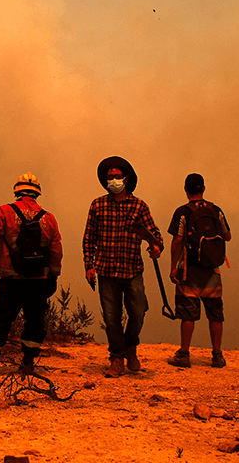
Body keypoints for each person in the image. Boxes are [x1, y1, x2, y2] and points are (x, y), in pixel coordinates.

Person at [0, 173, 62, 376]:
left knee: (1, 319)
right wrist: (53, 275)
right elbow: (56, 250)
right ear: (37, 193)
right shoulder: (49, 218)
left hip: (11, 279)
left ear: (16, 191)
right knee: (35, 321)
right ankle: (27, 363)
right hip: (39, 280)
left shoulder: (6, 212)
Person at [82, 156, 163, 377]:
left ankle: (131, 347)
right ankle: (117, 358)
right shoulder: (97, 205)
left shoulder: (139, 206)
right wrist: (89, 266)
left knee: (138, 312)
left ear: (126, 179)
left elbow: (155, 236)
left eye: (118, 176)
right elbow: (89, 238)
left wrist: (156, 248)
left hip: (132, 270)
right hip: (106, 270)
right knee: (111, 318)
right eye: (110, 177)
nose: (114, 180)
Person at [166, 173, 231, 369]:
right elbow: (227, 236)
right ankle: (217, 356)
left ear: (185, 189)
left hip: (190, 269)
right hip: (212, 270)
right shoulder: (215, 210)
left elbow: (177, 239)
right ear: (203, 188)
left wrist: (173, 267)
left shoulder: (182, 212)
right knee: (215, 313)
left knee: (188, 314)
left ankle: (184, 354)